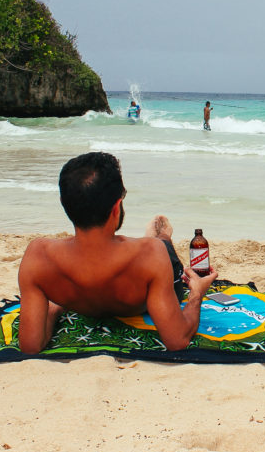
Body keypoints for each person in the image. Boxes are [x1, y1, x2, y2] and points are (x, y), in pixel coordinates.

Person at [16, 152, 218, 354]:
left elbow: (31, 345)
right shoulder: (150, 253)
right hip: (142, 290)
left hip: (80, 300)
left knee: (153, 247)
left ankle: (159, 235)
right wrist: (197, 294)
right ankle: (163, 236)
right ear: (116, 208)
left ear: (64, 203)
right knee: (162, 247)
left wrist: (53, 307)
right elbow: (177, 340)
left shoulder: (38, 256)